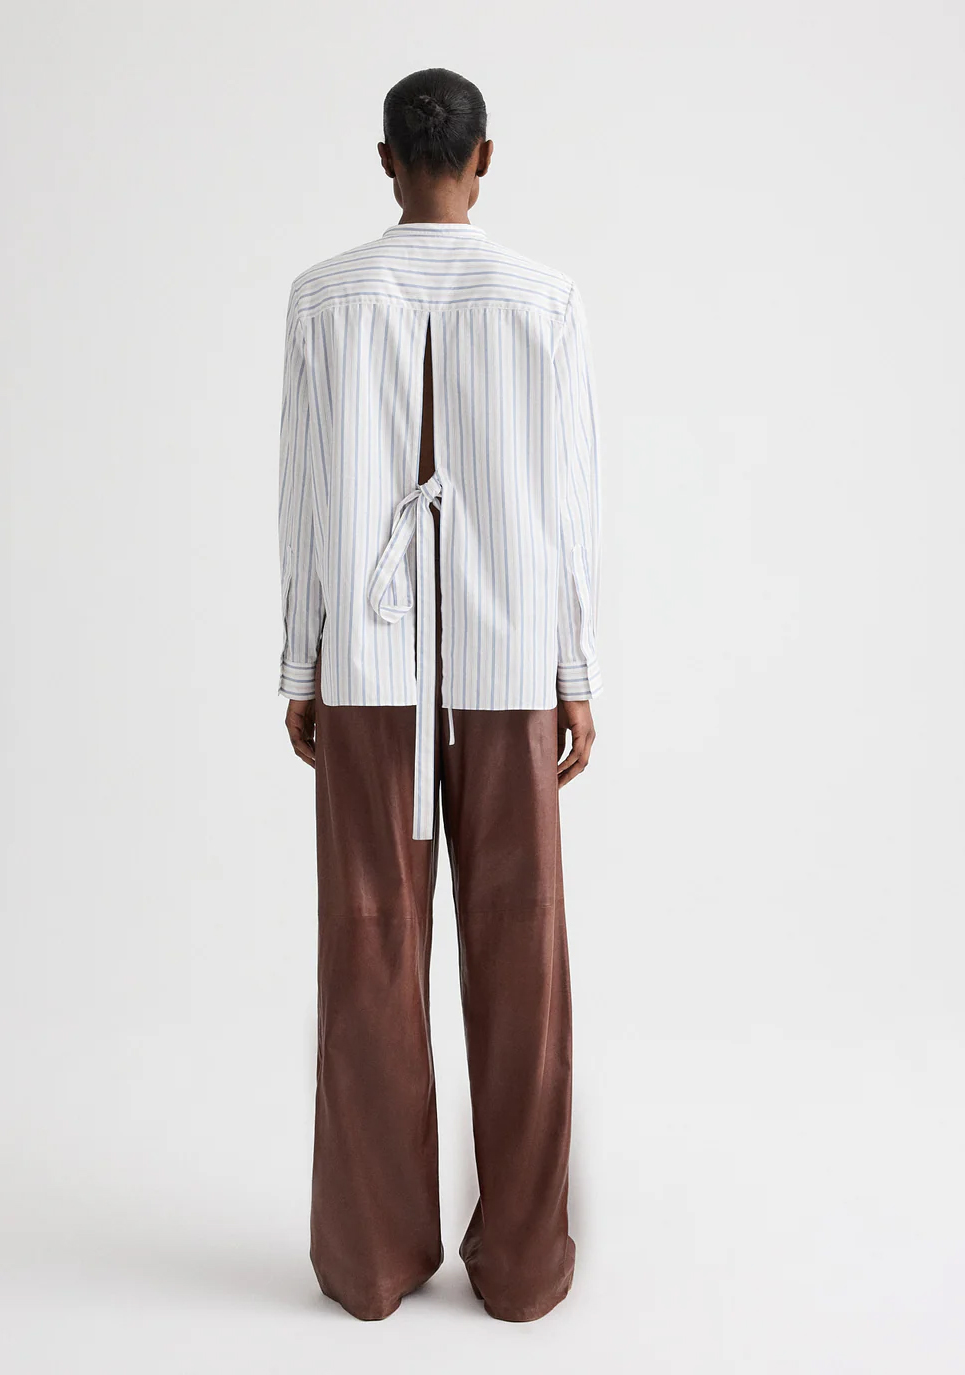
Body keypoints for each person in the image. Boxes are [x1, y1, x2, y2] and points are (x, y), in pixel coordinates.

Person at [276, 66, 603, 1323]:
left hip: (367, 674)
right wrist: (573, 671)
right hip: (508, 671)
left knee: (365, 953)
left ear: (383, 160)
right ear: (483, 157)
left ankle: (368, 1262)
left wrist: (302, 662)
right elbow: (569, 505)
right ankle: (521, 1269)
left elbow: (306, 495)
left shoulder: (322, 298)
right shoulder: (544, 298)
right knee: (523, 956)